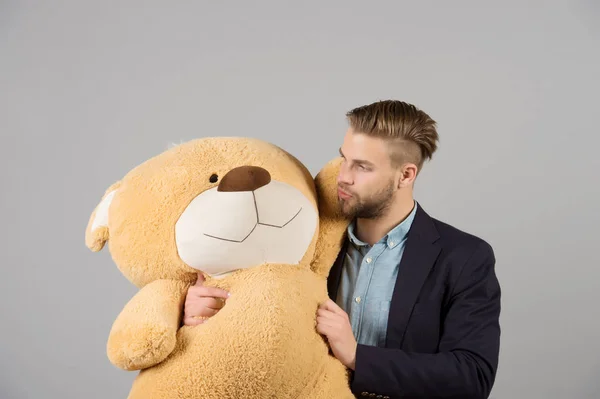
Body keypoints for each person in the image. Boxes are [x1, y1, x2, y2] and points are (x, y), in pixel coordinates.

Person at [182, 100, 501, 398]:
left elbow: (473, 375)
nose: (343, 177)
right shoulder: (304, 239)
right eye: (344, 158)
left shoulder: (464, 257)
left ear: (405, 175)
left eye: (362, 167)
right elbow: (253, 301)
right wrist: (194, 309)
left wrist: (358, 356)